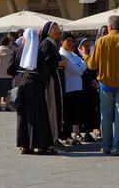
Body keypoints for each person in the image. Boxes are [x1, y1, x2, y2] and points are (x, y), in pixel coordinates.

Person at [87, 15, 119, 156]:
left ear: (109, 26)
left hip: (105, 85)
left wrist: (86, 56)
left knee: (105, 116)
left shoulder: (101, 41)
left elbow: (92, 65)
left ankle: (107, 146)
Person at [7, 28, 55, 155]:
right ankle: (42, 146)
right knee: (39, 116)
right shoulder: (39, 53)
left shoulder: (16, 51)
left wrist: (17, 77)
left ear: (24, 38)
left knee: (22, 116)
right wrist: (42, 86)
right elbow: (44, 73)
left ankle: (25, 146)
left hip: (20, 85)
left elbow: (9, 70)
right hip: (35, 86)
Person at [39, 22, 70, 152]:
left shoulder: (52, 43)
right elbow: (44, 63)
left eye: (58, 29)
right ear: (48, 31)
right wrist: (59, 63)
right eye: (54, 29)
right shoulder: (46, 43)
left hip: (56, 80)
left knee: (57, 108)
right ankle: (53, 139)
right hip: (51, 81)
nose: (57, 31)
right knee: (53, 109)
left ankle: (56, 138)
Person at [59, 32, 86, 145]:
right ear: (62, 42)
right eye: (68, 41)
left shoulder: (73, 54)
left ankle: (73, 134)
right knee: (68, 114)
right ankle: (67, 135)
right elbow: (77, 70)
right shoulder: (62, 54)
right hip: (69, 88)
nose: (71, 43)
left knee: (75, 113)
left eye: (72, 41)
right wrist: (81, 65)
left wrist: (81, 65)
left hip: (77, 87)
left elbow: (83, 66)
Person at [77, 36, 102, 142]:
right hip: (79, 88)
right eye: (84, 46)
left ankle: (88, 132)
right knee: (78, 111)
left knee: (90, 111)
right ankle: (77, 133)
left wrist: (96, 81)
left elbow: (96, 71)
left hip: (90, 90)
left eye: (88, 46)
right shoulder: (75, 57)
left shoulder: (91, 58)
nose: (87, 48)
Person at [0, 37, 13, 111]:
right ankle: (7, 105)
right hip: (8, 74)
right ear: (8, 43)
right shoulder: (11, 52)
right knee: (7, 91)